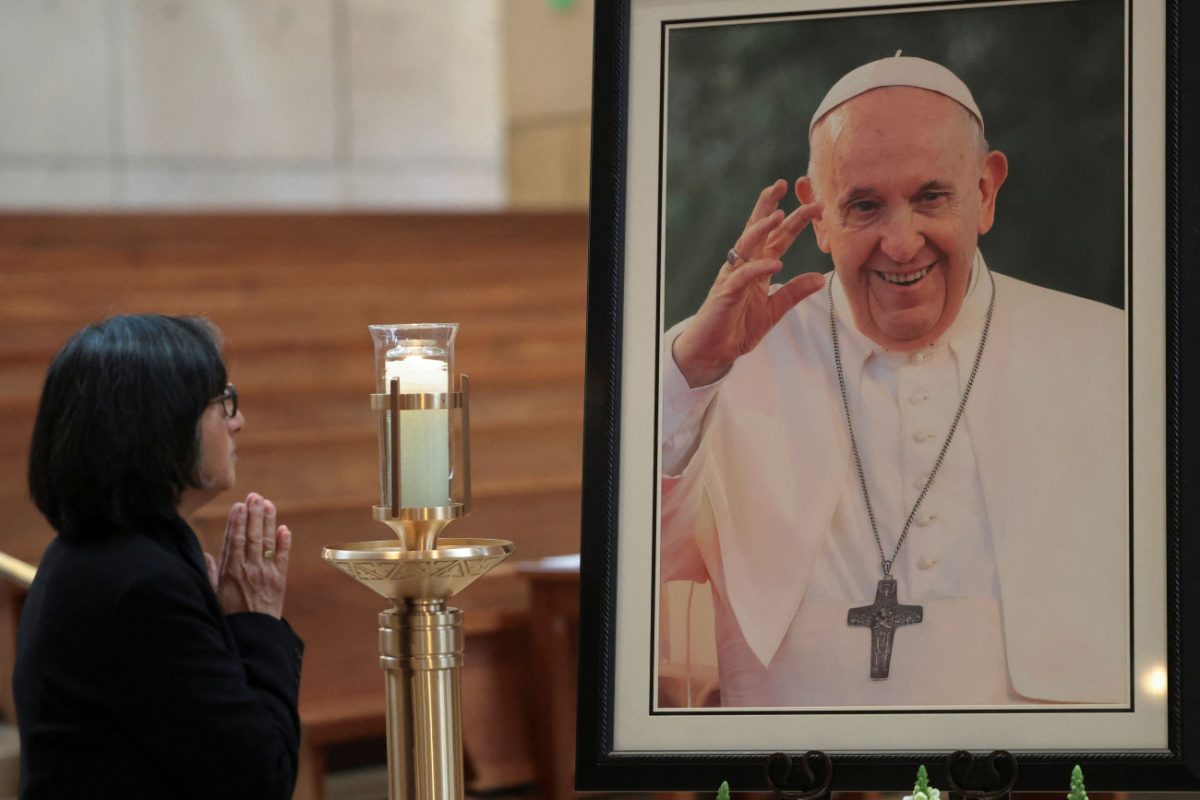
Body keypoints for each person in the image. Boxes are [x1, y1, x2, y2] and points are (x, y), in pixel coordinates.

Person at [660, 55, 1126, 708]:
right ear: (817, 216)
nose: (901, 242)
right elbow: (650, 560)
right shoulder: (721, 353)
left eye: (931, 197)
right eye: (864, 206)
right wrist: (693, 376)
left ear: (986, 192)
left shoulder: (1113, 354)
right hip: (795, 759)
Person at [14, 314, 304, 798]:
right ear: (163, 423)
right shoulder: (140, 586)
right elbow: (261, 781)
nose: (238, 422)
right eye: (223, 403)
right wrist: (256, 623)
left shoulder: (115, 553)